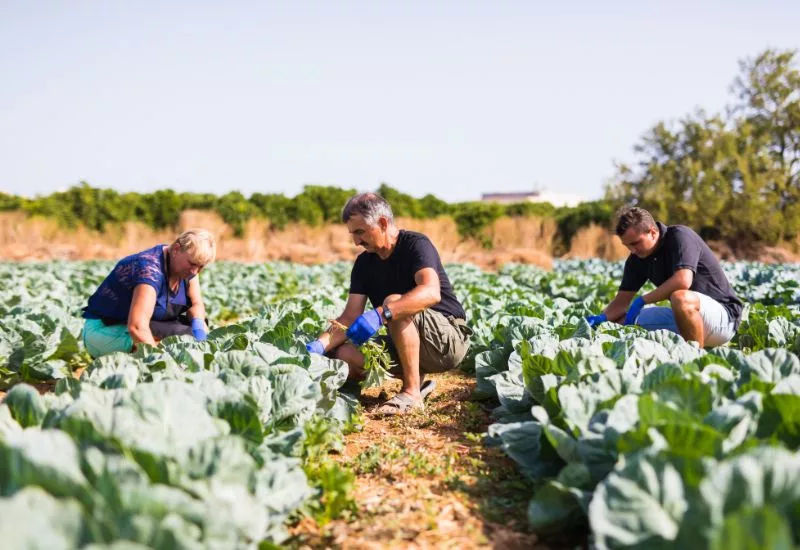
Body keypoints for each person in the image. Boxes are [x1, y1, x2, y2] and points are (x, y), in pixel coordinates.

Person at [305, 193, 472, 415]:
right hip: (407, 342)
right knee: (344, 353)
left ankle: (411, 394)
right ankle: (417, 381)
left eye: (360, 232)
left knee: (393, 302)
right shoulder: (364, 263)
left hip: (446, 341)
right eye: (352, 234)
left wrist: (382, 313)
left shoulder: (415, 245)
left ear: (382, 223)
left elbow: (432, 293)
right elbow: (349, 318)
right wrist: (317, 347)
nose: (356, 241)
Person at [586, 207, 743, 347]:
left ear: (653, 232)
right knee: (617, 323)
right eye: (627, 246)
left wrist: (642, 300)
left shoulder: (680, 237)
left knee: (680, 297)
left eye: (635, 243)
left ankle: (695, 360)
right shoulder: (637, 259)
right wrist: (600, 319)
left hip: (722, 320)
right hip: (684, 319)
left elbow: (683, 280)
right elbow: (621, 303)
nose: (632, 250)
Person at [82, 228, 216, 357]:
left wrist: (199, 331)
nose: (195, 271)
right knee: (182, 340)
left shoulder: (188, 268)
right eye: (192, 264)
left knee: (195, 330)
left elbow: (196, 304)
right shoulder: (149, 270)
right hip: (105, 332)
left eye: (201, 266)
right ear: (176, 249)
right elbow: (136, 327)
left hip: (134, 326)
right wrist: (161, 362)